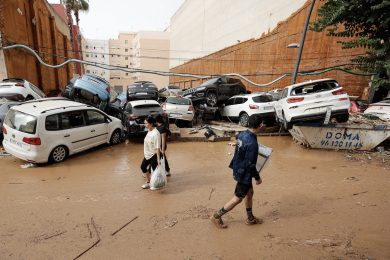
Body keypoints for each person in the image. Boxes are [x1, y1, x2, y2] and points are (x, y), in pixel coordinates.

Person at [210, 114, 264, 228]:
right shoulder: (252, 143)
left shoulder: (241, 134)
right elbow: (251, 165)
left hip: (238, 167)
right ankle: (216, 216)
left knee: (250, 193)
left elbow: (240, 149)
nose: (263, 125)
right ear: (259, 126)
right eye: (262, 124)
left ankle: (250, 218)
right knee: (237, 199)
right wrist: (257, 178)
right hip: (244, 173)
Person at [140, 116, 161, 189]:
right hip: (147, 154)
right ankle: (149, 182)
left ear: (151, 124)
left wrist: (158, 160)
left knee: (154, 171)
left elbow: (158, 148)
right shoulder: (149, 130)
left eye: (146, 123)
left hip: (154, 155)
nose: (145, 125)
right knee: (143, 167)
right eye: (144, 123)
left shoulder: (156, 134)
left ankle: (156, 184)